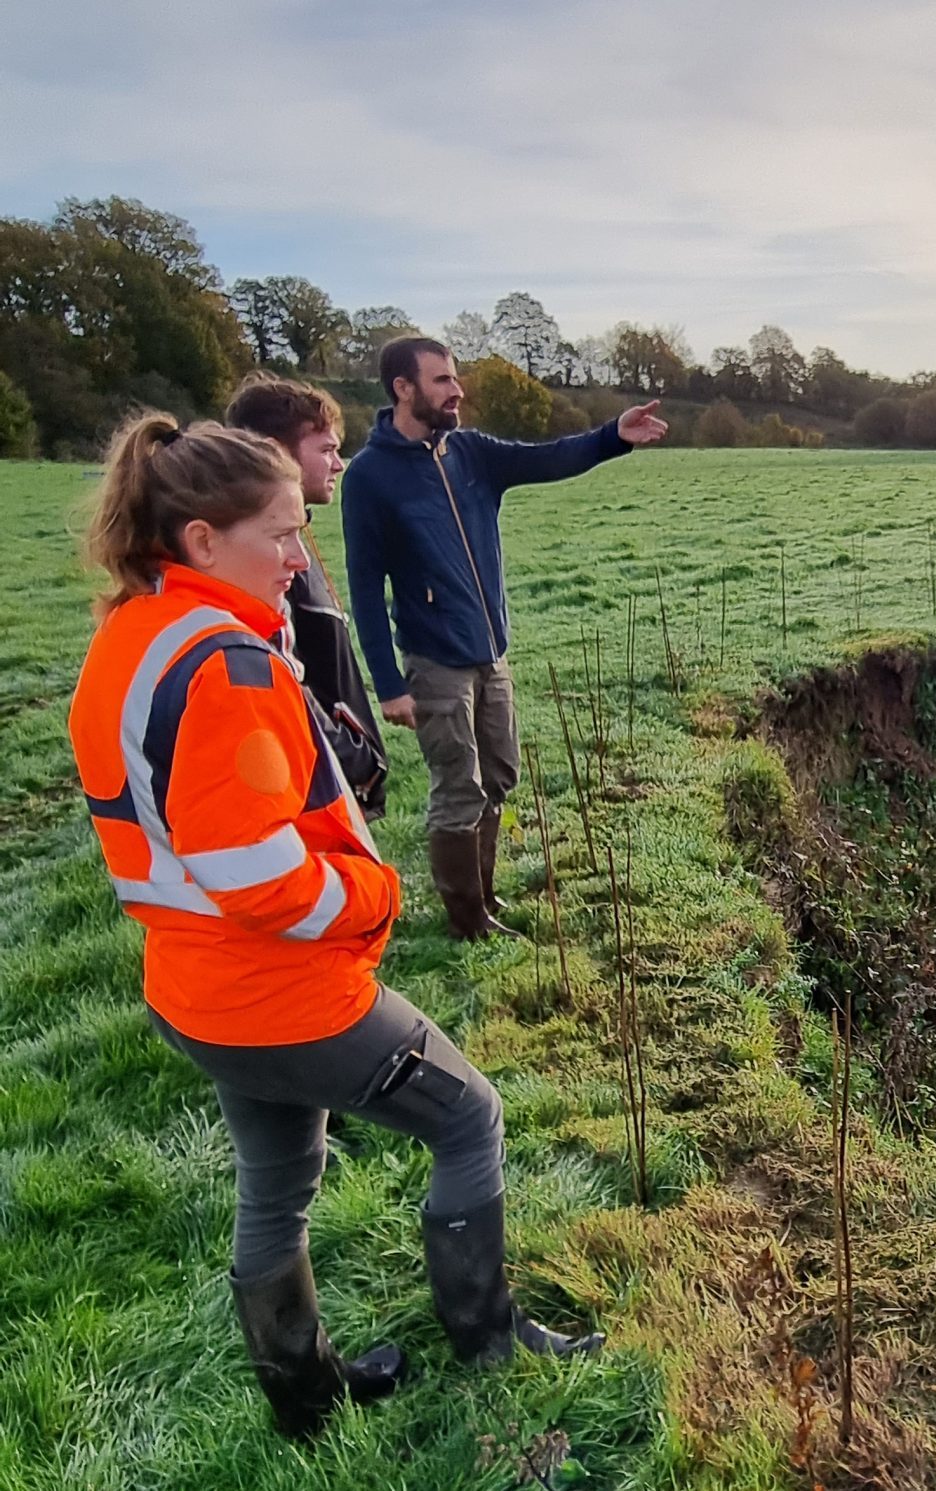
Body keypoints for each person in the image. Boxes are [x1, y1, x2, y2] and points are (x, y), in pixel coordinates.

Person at [67, 414, 603, 1443]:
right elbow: (258, 878)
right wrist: (375, 897)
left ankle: (308, 1400)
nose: (300, 557)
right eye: (281, 533)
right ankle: (491, 1346)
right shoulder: (226, 667)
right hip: (282, 990)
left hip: (194, 987)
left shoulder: (132, 632)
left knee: (277, 1183)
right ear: (200, 542)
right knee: (468, 1118)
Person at [342, 337, 667, 939]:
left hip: (492, 654)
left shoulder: (471, 452)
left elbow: (546, 459)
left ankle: (485, 900)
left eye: (455, 378)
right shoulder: (370, 477)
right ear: (403, 389)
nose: (456, 389)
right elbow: (363, 585)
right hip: (434, 660)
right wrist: (388, 684)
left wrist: (612, 436)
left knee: (500, 775)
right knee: (458, 786)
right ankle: (466, 923)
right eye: (441, 380)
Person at [225, 372, 388, 819]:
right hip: (313, 792)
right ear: (278, 454)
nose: (339, 464)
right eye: (328, 450)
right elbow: (283, 683)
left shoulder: (291, 540)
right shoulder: (259, 562)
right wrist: (354, 760)